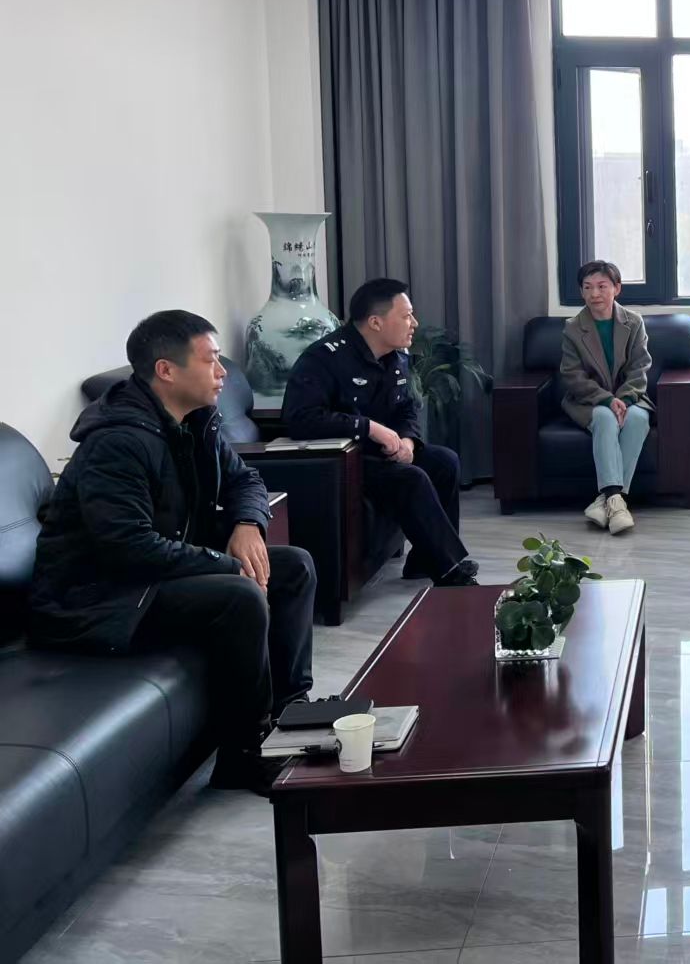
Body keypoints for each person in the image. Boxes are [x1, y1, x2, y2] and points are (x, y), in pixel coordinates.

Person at [29, 311, 316, 796]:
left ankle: (291, 713)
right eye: (211, 361)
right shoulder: (117, 443)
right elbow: (127, 547)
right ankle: (244, 754)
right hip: (96, 598)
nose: (223, 372)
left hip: (148, 576)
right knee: (241, 594)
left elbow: (245, 479)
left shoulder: (196, 421)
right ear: (166, 370)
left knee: (294, 566)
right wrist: (228, 564)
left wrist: (249, 525)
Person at [283, 278, 478, 586]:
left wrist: (408, 440)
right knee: (411, 479)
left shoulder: (396, 356)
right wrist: (369, 428)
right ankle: (450, 571)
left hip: (382, 453)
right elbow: (300, 418)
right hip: (345, 461)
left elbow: (406, 408)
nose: (414, 323)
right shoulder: (324, 358)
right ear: (375, 322)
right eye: (406, 316)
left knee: (444, 462)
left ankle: (424, 560)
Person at [559, 260, 653, 538]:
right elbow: (573, 376)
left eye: (602, 286)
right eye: (587, 287)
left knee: (638, 419)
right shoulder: (573, 328)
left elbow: (639, 368)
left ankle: (608, 501)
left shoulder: (634, 322)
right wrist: (607, 400)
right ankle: (617, 500)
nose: (594, 294)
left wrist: (622, 398)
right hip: (588, 400)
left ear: (617, 288)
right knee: (604, 417)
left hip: (631, 396)